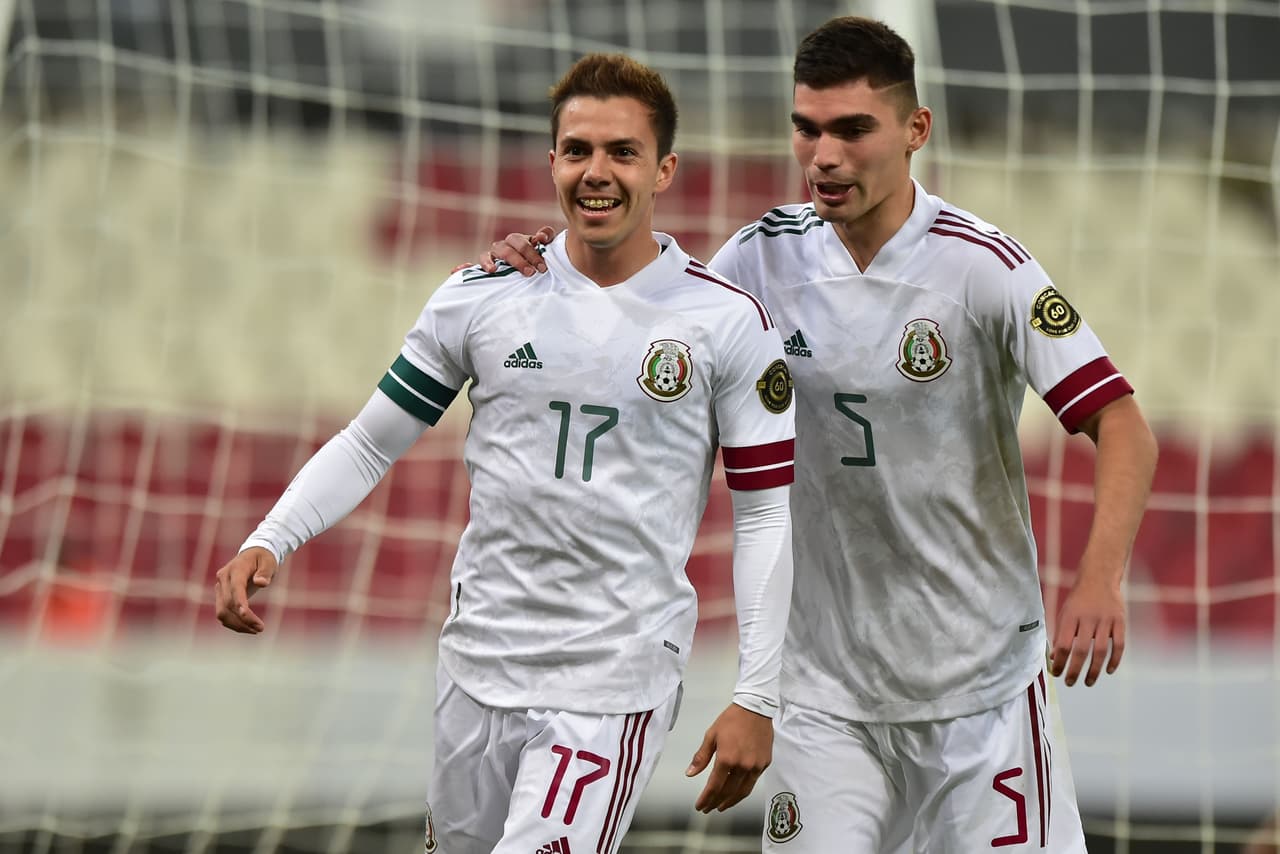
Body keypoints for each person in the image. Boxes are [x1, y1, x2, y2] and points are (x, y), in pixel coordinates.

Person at [478, 16, 1159, 853]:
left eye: (851, 129)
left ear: (915, 131)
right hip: (824, 699)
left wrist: (1100, 581)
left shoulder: (982, 267)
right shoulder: (758, 261)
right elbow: (641, 314)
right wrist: (549, 267)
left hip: (982, 695)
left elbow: (1122, 423)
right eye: (807, 128)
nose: (824, 155)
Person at [213, 53, 798, 854]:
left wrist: (757, 694)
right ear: (551, 161)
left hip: (611, 680)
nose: (598, 172)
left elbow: (766, 512)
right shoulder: (483, 294)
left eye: (622, 152)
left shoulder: (726, 321)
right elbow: (369, 442)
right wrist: (268, 537)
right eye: (578, 150)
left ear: (664, 169)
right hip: (478, 661)